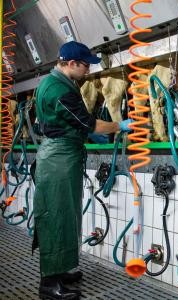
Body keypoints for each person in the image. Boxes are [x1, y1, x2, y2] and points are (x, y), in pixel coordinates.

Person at [32, 41, 132, 300]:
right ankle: (49, 285)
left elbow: (71, 123)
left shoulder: (58, 83)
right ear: (72, 63)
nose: (89, 70)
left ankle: (60, 271)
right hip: (58, 160)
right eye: (86, 64)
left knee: (67, 214)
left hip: (63, 155)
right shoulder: (58, 89)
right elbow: (87, 123)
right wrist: (118, 126)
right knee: (56, 216)